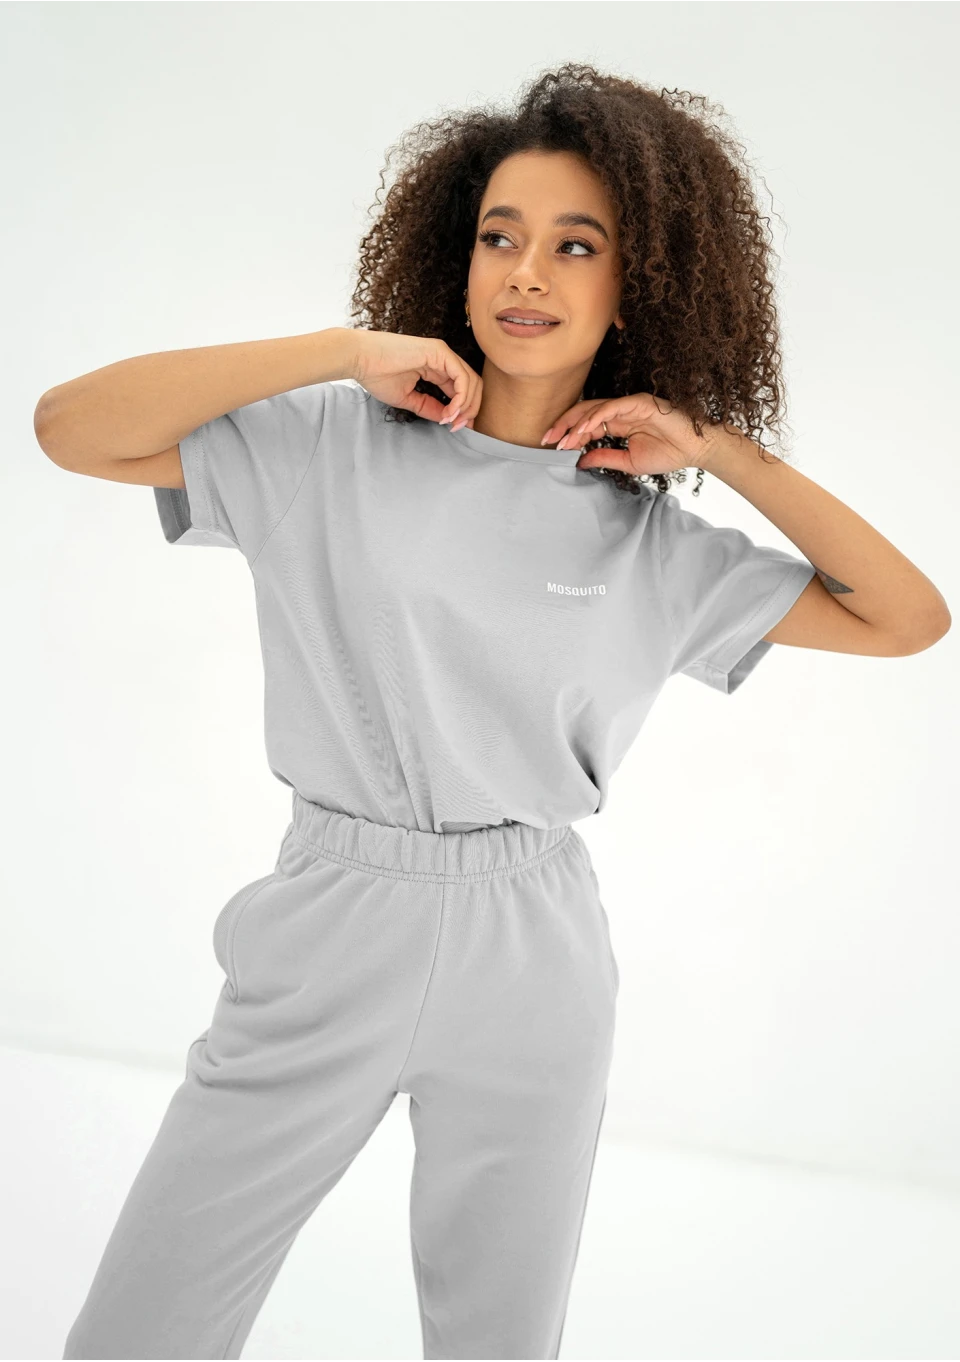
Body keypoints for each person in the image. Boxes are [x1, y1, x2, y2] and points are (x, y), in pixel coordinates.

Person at [36, 62, 949, 1361]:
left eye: (577, 245)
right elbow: (70, 426)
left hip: (535, 952)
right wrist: (343, 350)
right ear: (456, 258)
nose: (527, 273)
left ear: (639, 284)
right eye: (499, 237)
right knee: (142, 1329)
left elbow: (908, 616)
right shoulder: (328, 445)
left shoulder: (653, 544)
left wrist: (720, 450)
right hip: (331, 922)